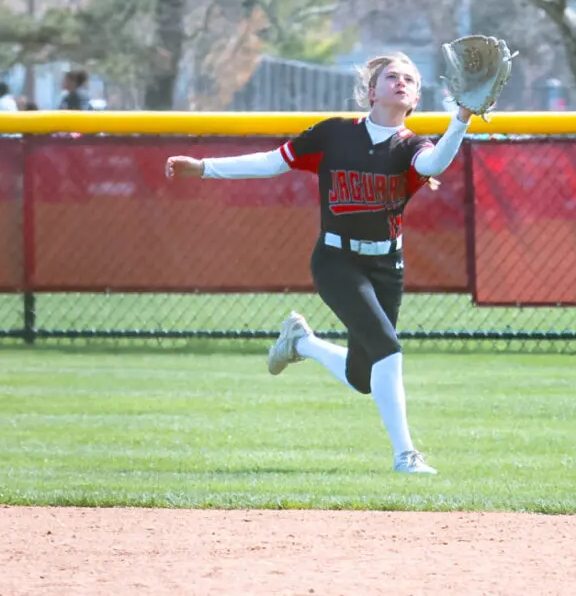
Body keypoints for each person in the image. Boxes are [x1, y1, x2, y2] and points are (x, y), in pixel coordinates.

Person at [165, 52, 473, 475]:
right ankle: (406, 455)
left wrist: (462, 117)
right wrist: (204, 168)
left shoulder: (412, 146)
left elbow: (435, 163)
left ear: (416, 97)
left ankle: (301, 343)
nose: (400, 82)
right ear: (371, 91)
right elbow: (273, 162)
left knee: (364, 377)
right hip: (336, 261)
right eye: (391, 77)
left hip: (387, 267)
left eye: (409, 79)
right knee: (388, 349)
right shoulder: (333, 135)